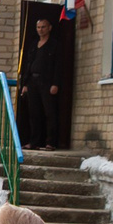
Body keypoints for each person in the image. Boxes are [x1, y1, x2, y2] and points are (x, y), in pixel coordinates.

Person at [19, 14, 68, 150]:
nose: (40, 30)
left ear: (49, 28)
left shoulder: (54, 45)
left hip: (47, 82)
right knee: (34, 113)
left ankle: (50, 142)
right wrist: (25, 84)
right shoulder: (34, 45)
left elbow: (58, 66)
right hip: (32, 82)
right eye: (38, 27)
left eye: (43, 27)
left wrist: (55, 83)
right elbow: (28, 64)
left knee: (49, 113)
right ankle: (34, 142)